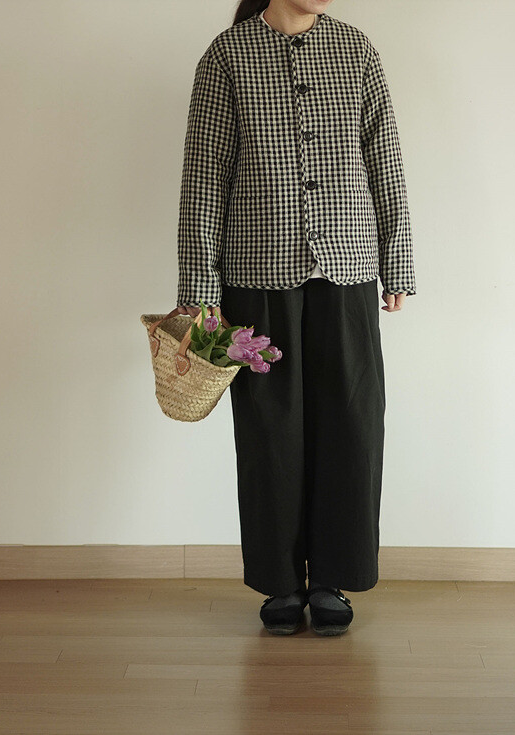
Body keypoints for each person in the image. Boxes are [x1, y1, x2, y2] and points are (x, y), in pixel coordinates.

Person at [175, 0, 416, 635]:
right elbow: (204, 176)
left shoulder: (355, 50)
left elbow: (385, 160)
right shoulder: (227, 56)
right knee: (268, 429)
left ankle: (333, 576)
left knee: (351, 422)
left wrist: (398, 263)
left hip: (348, 265)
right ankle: (281, 581)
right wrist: (198, 289)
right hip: (256, 272)